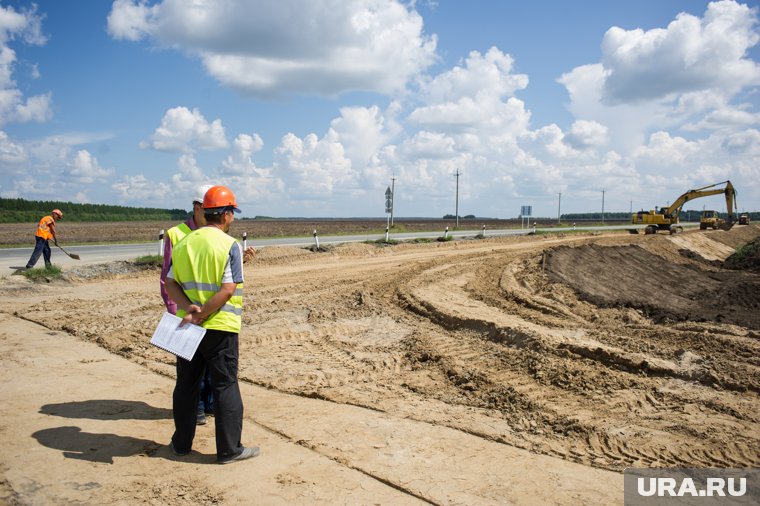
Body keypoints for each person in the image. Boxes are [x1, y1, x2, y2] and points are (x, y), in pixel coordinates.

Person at [164, 185, 259, 464]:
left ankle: (180, 445)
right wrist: (204, 312)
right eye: (233, 213)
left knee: (186, 385)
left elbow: (169, 283)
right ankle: (229, 450)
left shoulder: (184, 242)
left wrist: (191, 311)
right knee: (225, 386)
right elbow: (228, 289)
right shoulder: (229, 245)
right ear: (227, 214)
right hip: (220, 326)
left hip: (188, 326)